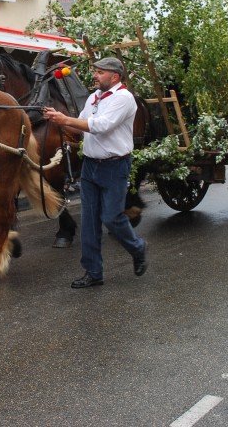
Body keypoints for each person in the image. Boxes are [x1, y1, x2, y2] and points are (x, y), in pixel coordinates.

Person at [42, 56, 147, 288]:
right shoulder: (93, 98)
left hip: (115, 166)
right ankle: (93, 272)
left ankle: (138, 248)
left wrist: (65, 118)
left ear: (115, 76)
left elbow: (100, 126)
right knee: (89, 222)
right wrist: (56, 120)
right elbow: (78, 126)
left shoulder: (124, 98)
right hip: (90, 166)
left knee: (111, 218)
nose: (94, 76)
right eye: (95, 71)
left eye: (100, 72)